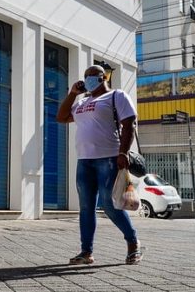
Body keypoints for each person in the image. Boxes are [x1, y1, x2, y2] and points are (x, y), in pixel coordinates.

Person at [56, 64, 143, 265]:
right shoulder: (81, 102)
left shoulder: (116, 96)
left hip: (109, 158)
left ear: (103, 77)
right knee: (86, 207)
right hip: (84, 160)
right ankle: (86, 252)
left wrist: (123, 152)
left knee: (110, 204)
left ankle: (133, 242)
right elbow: (61, 117)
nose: (88, 79)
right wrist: (72, 93)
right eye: (85, 76)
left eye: (92, 76)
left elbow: (129, 124)